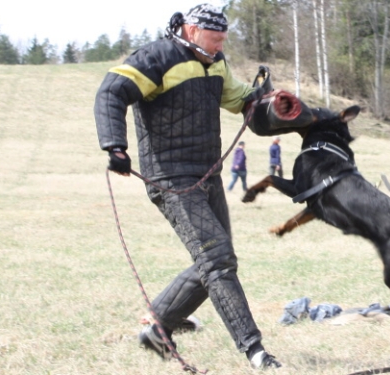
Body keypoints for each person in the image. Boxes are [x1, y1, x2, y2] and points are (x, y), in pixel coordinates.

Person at [94, 3, 281, 370]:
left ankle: (157, 327)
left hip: (208, 173)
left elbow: (239, 98)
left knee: (217, 257)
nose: (218, 46)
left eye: (223, 40)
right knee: (217, 260)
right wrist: (115, 146)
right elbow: (111, 92)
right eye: (214, 39)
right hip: (171, 178)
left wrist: (270, 101)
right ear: (191, 31)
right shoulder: (157, 58)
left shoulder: (216, 62)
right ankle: (255, 351)